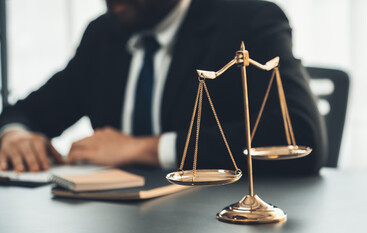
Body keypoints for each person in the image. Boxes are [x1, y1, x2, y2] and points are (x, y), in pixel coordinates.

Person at [0, 0, 327, 175]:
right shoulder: (104, 34)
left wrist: (148, 149)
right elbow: (27, 112)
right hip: (115, 222)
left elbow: (299, 136)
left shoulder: (250, 22)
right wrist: (14, 135)